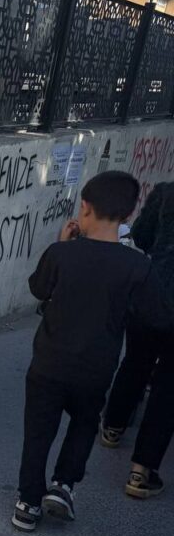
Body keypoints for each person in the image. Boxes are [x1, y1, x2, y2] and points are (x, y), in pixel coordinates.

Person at [13, 172, 173, 532]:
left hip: (48, 364)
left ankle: (27, 502)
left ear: (85, 208)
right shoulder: (138, 267)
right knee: (84, 425)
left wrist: (62, 244)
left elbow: (39, 289)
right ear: (128, 215)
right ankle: (64, 484)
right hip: (95, 369)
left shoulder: (61, 253)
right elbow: (157, 316)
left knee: (38, 431)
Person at [99, 181, 174, 498]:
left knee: (135, 362)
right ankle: (141, 471)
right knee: (169, 386)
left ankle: (112, 427)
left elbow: (141, 236)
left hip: (152, 292)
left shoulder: (166, 192)